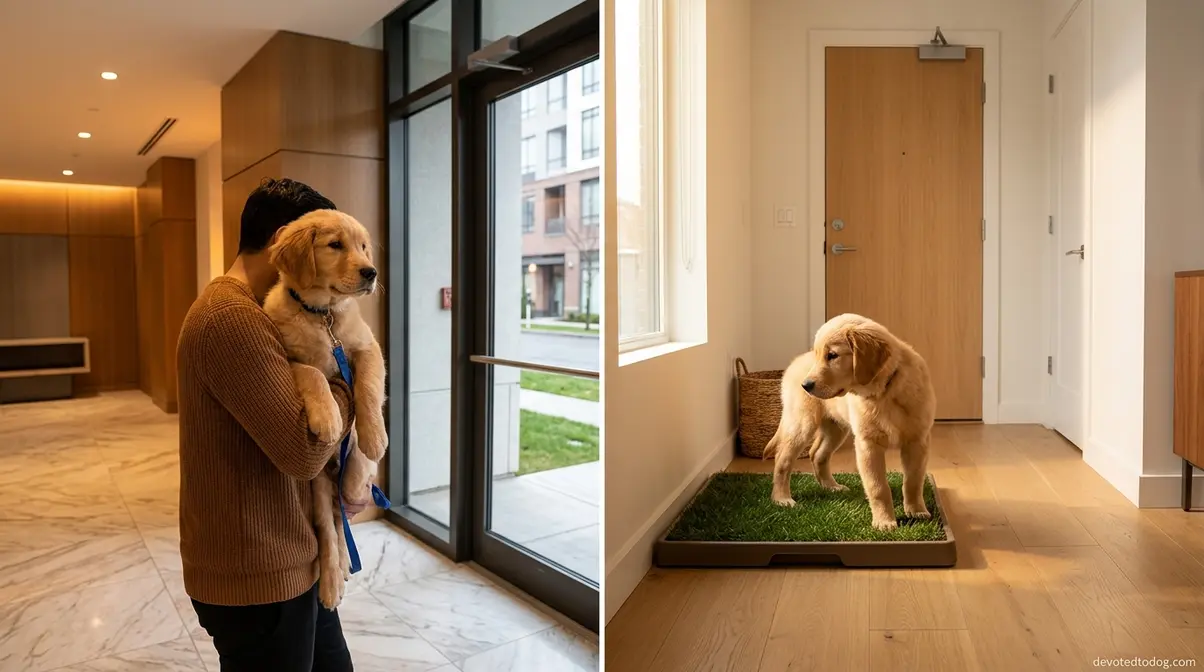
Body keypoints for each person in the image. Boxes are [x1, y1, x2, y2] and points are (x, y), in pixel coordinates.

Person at [176, 178, 369, 671]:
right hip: (257, 571)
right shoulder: (231, 318)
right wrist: (349, 386)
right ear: (289, 240)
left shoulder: (257, 311)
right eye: (333, 245)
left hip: (291, 554)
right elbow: (303, 451)